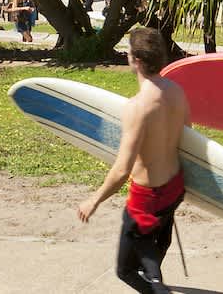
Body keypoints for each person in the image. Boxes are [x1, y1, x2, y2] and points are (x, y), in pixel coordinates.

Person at [76, 27, 189, 294]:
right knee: (152, 253)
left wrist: (94, 200)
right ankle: (155, 279)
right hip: (174, 189)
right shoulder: (177, 92)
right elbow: (188, 141)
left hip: (146, 200)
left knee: (125, 269)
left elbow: (122, 169)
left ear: (136, 60)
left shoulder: (138, 108)